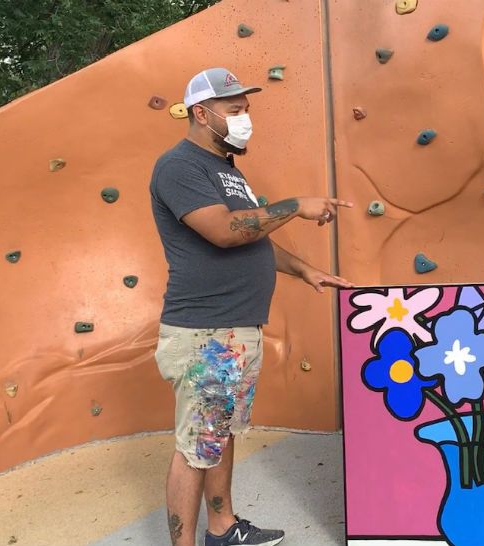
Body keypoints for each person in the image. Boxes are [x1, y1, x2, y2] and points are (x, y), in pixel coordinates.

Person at [150, 67, 353, 546]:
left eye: (246, 109)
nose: (246, 118)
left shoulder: (226, 169)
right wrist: (294, 205)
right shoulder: (180, 166)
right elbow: (225, 232)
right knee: (198, 446)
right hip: (207, 333)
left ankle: (223, 528)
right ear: (202, 114)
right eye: (235, 110)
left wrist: (304, 269)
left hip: (234, 329)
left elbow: (251, 234)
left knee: (219, 433)